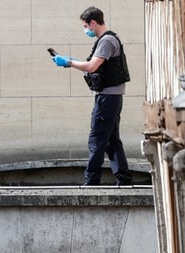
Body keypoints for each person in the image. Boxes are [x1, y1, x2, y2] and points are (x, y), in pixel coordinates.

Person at [52, 6, 132, 186]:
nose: (85, 30)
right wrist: (70, 61)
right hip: (112, 97)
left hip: (107, 98)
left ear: (93, 23)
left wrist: (68, 63)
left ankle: (91, 181)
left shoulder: (106, 41)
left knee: (96, 139)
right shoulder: (109, 39)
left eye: (85, 26)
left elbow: (92, 67)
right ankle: (124, 179)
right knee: (111, 140)